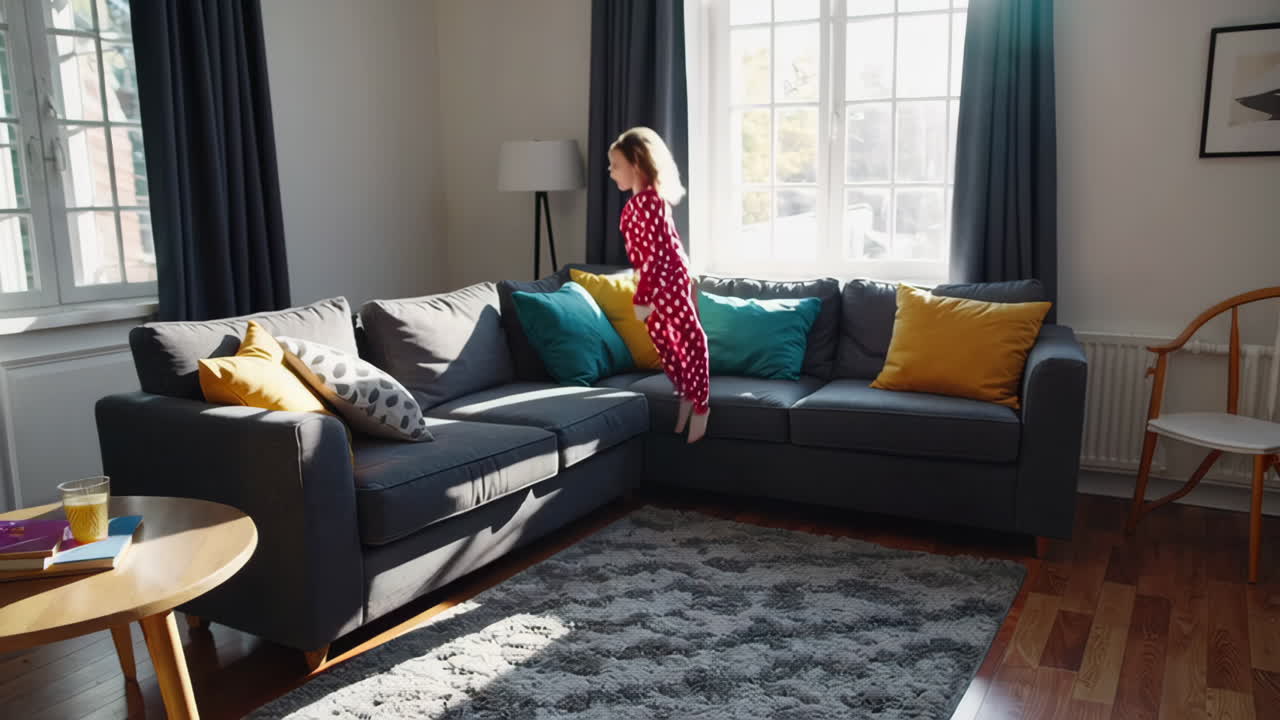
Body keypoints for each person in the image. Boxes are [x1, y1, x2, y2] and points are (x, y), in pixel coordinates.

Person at [608, 127, 710, 443]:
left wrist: (644, 293)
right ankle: (685, 392)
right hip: (653, 281)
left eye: (616, 166)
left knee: (690, 337)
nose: (611, 174)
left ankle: (702, 404)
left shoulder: (651, 202)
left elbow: (657, 252)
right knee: (663, 340)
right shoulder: (635, 205)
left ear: (636, 164)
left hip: (666, 280)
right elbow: (655, 249)